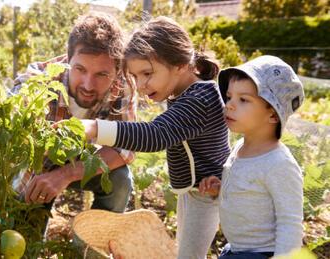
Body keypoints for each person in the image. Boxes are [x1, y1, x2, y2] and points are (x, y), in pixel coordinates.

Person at [0, 12, 137, 213]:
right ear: (68, 59)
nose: (88, 84)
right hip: (38, 165)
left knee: (120, 180)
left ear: (117, 69)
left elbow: (125, 148)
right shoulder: (39, 82)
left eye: (102, 74)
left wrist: (64, 175)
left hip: (81, 161)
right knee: (25, 232)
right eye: (80, 69)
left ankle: (93, 241)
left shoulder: (122, 85)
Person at [80, 16, 230, 259]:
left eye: (147, 73)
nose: (139, 85)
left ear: (180, 64)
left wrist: (96, 129)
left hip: (207, 194)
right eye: (135, 76)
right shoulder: (188, 93)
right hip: (198, 191)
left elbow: (155, 135)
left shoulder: (200, 99)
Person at [198, 55, 304, 258]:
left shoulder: (279, 164)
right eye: (229, 97)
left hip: (260, 253)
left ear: (273, 114)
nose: (229, 105)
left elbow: (290, 223)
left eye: (243, 99)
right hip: (236, 250)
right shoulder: (239, 147)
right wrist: (220, 189)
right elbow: (249, 192)